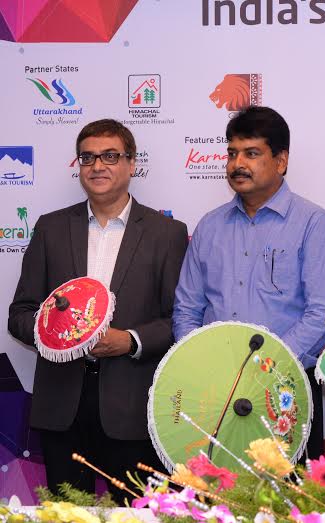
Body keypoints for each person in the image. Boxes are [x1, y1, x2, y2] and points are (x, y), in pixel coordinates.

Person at [8, 119, 188, 503]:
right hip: (61, 406)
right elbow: (20, 314)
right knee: (67, 514)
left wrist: (131, 340)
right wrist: (57, 334)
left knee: (135, 514)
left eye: (110, 156)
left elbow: (179, 319)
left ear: (131, 163)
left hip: (133, 407)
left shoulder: (167, 233)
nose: (97, 166)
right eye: (87, 157)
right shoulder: (51, 228)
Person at [172, 106, 325, 458]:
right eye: (232, 153)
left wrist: (264, 367)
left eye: (251, 153)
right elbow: (187, 309)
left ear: (281, 161)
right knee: (217, 488)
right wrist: (203, 364)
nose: (237, 164)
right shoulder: (210, 226)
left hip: (285, 388)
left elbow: (323, 314)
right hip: (215, 392)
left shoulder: (313, 224)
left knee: (287, 490)